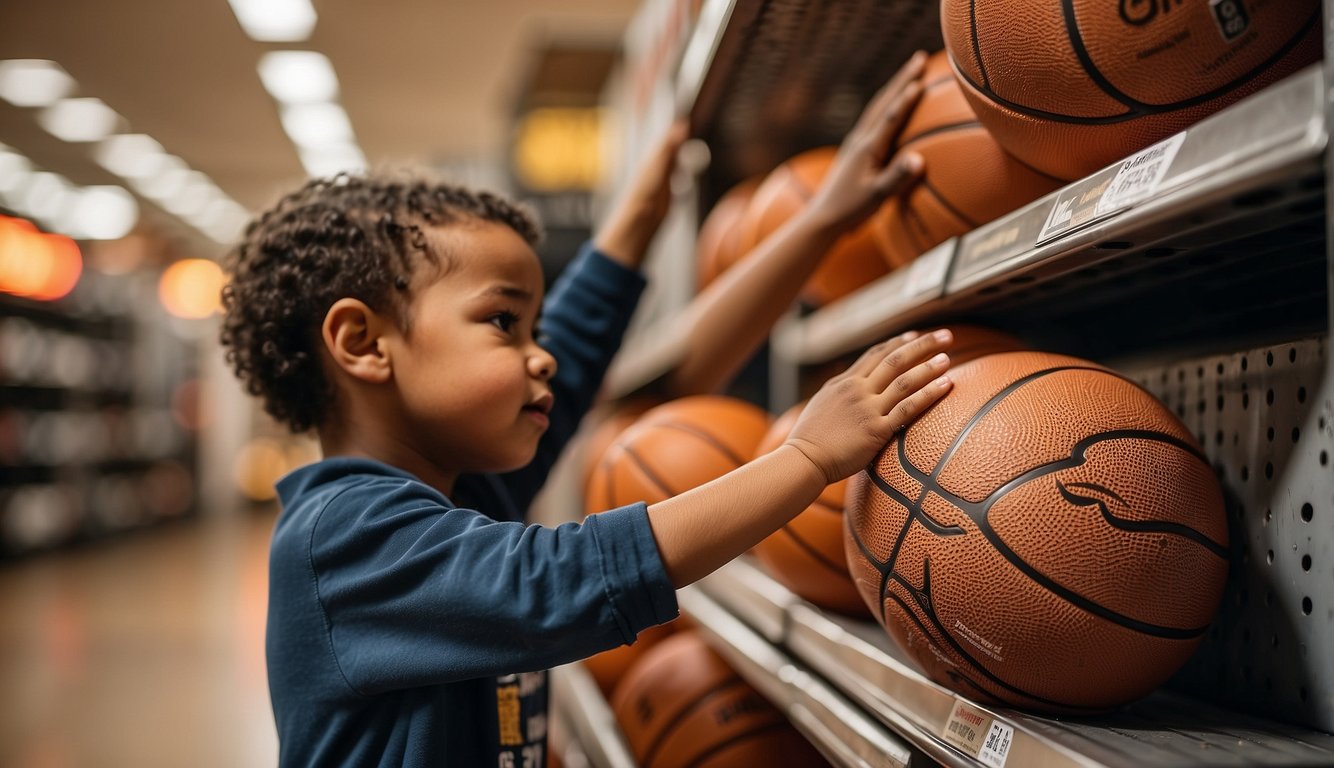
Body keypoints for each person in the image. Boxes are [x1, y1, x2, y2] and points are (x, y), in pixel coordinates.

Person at [220, 53, 948, 768]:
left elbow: (581, 341)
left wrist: (809, 218)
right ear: (363, 343)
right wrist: (809, 459)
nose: (541, 356)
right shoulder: (344, 541)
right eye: (505, 322)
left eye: (533, 327)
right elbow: (560, 580)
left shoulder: (455, 489)